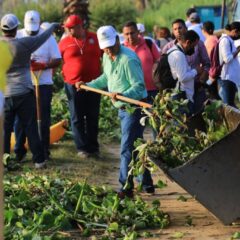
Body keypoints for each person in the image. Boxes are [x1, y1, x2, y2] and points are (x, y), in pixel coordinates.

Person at [75, 25, 154, 198]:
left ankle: (125, 187)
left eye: (111, 47)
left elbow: (139, 87)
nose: (109, 51)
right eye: (105, 48)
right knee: (136, 146)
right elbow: (106, 78)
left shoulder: (129, 59)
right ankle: (147, 183)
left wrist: (123, 95)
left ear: (118, 40)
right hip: (122, 109)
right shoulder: (106, 56)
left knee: (126, 147)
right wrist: (87, 85)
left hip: (135, 107)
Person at [0, 13, 59, 168]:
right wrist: (52, 26)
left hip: (4, 95)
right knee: (31, 127)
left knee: (5, 131)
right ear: (16, 28)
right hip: (24, 93)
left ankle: (5, 162)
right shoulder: (24, 44)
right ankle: (39, 160)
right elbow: (43, 36)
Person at [14, 10, 62, 161]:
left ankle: (44, 150)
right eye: (29, 29)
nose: (32, 32)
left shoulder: (47, 37)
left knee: (43, 118)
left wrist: (44, 65)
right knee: (20, 119)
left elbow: (57, 59)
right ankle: (19, 152)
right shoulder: (18, 35)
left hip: (43, 84)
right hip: (23, 84)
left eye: (34, 29)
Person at [58, 15, 102, 158]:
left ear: (79, 26)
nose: (69, 31)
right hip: (73, 85)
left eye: (71, 28)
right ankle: (82, 148)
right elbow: (57, 60)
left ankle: (93, 147)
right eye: (67, 28)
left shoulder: (95, 38)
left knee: (92, 116)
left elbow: (107, 55)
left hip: (94, 84)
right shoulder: (64, 42)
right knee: (77, 117)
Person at [163, 19, 210, 113]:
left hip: (197, 85)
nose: (178, 31)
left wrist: (204, 75)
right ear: (172, 31)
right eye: (175, 29)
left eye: (180, 28)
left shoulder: (198, 43)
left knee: (199, 114)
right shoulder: (170, 48)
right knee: (186, 119)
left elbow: (207, 63)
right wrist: (196, 71)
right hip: (180, 91)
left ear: (186, 28)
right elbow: (181, 76)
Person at [122, 21, 160, 104]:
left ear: (138, 32)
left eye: (132, 33)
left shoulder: (148, 43)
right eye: (127, 34)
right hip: (132, 93)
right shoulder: (122, 49)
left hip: (152, 91)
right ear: (123, 35)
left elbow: (159, 63)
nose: (130, 36)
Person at [167, 30, 203, 114]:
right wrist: (196, 71)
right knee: (183, 125)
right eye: (194, 46)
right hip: (182, 97)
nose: (194, 49)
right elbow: (182, 77)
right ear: (188, 42)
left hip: (180, 95)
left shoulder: (172, 51)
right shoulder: (178, 55)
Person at [218, 22, 240, 107]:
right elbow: (227, 59)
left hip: (230, 77)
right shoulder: (225, 41)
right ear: (235, 31)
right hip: (227, 77)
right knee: (229, 105)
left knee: (230, 103)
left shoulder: (228, 40)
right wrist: (237, 51)